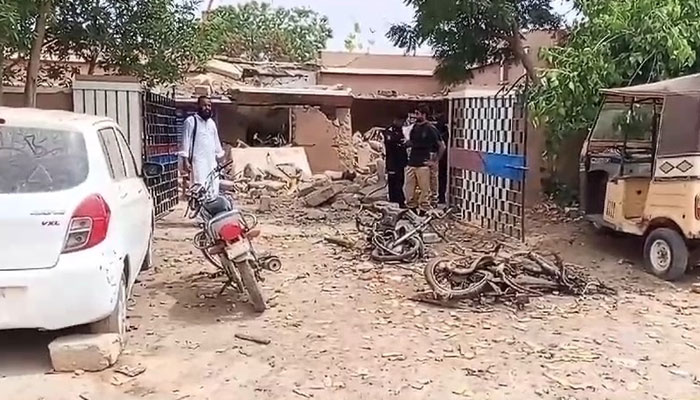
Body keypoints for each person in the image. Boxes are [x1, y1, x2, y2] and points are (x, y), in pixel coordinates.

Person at [179, 96, 225, 197]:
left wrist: (221, 159)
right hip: (198, 163)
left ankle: (211, 211)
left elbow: (216, 142)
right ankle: (199, 212)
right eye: (204, 105)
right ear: (198, 106)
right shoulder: (191, 121)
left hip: (211, 163)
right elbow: (185, 142)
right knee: (199, 188)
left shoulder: (211, 123)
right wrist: (186, 161)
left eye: (209, 105)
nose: (207, 108)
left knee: (213, 187)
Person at [404, 104, 446, 214]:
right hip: (412, 162)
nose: (415, 116)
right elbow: (412, 142)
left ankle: (423, 212)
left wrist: (435, 161)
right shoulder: (414, 127)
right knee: (409, 190)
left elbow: (442, 146)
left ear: (424, 114)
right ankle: (412, 210)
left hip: (423, 164)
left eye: (417, 114)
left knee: (425, 191)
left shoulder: (430, 129)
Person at [383, 114, 408, 208]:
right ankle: (397, 202)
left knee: (400, 181)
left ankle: (399, 201)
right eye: (401, 121)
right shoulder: (389, 130)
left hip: (401, 162)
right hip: (392, 161)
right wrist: (400, 142)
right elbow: (391, 142)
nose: (402, 123)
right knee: (393, 182)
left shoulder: (401, 130)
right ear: (396, 119)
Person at [434, 112, 450, 205]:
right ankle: (440, 197)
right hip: (441, 157)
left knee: (440, 178)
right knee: (440, 178)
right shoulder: (439, 130)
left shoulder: (441, 130)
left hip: (441, 157)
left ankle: (441, 197)